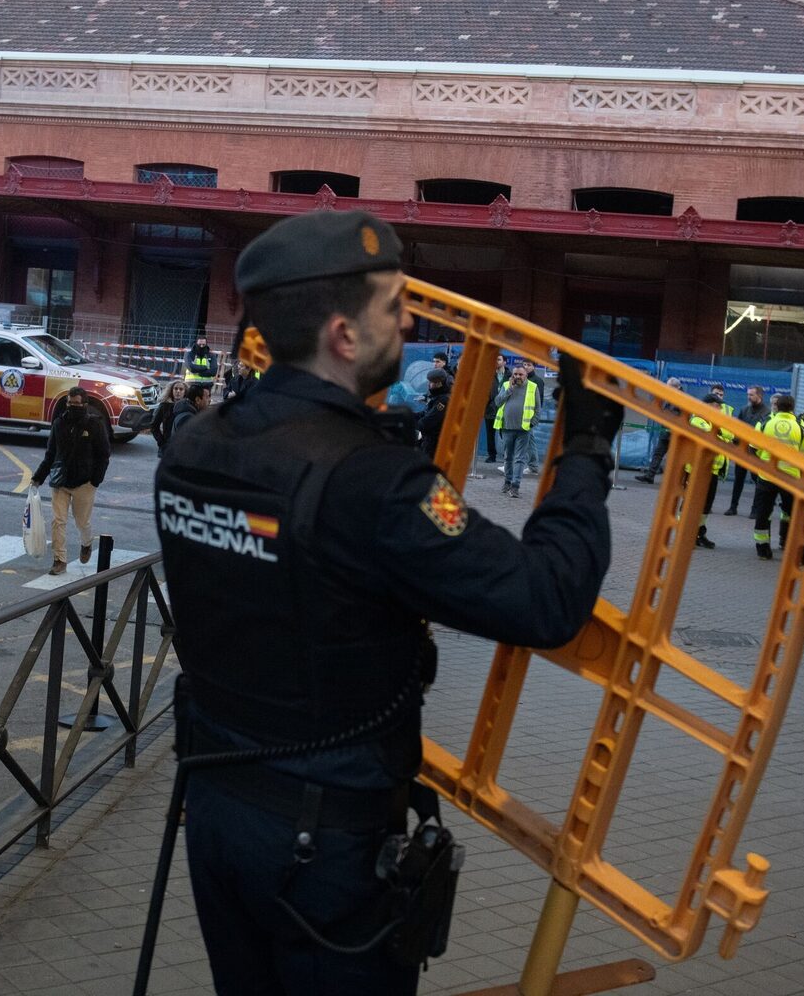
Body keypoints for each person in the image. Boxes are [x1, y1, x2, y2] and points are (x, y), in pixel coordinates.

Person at [154, 208, 620, 995]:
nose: (406, 323)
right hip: (321, 846)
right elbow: (543, 600)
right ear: (343, 335)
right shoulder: (374, 481)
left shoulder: (195, 442)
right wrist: (585, 453)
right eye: (392, 306)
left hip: (217, 810)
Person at [31, 387, 110, 575]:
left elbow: (103, 455)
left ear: (85, 404)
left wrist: (95, 480)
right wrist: (38, 478)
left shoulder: (95, 425)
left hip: (85, 482)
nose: (72, 406)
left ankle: (86, 543)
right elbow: (51, 454)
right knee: (58, 521)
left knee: (82, 522)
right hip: (61, 481)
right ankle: (59, 560)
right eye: (69, 403)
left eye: (76, 403)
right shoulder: (59, 423)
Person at [748, 393, 804, 560]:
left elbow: (752, 449)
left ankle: (762, 548)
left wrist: (759, 467)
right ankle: (798, 550)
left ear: (777, 407)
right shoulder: (801, 428)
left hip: (767, 475)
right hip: (791, 478)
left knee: (763, 513)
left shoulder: (764, 424)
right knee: (794, 515)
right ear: (792, 408)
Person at [684, 392, 733, 549]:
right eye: (717, 406)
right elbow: (715, 439)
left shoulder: (713, 422)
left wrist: (723, 435)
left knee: (705, 505)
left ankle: (698, 534)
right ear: (708, 406)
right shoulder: (698, 420)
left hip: (712, 470)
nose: (720, 409)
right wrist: (723, 436)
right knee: (691, 504)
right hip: (697, 470)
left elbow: (730, 435)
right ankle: (684, 535)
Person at [491, 360, 539, 497]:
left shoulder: (533, 387)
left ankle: (515, 486)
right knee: (508, 457)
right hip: (507, 428)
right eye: (515, 374)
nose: (518, 376)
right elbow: (497, 402)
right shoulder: (506, 385)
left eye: (520, 374)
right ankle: (507, 482)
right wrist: (509, 390)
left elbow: (537, 408)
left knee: (519, 459)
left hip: (524, 429)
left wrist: (532, 423)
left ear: (526, 375)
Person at [725, 385, 770, 515]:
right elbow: (737, 427)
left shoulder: (766, 413)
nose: (748, 397)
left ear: (759, 396)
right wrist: (735, 442)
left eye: (751, 395)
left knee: (757, 481)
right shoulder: (745, 409)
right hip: (742, 450)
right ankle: (733, 507)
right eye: (748, 394)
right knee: (738, 480)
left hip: (756, 452)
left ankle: (755, 509)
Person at [634, 377, 686, 484]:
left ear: (677, 387)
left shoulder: (682, 399)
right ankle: (650, 476)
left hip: (674, 433)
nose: (667, 389)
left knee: (675, 458)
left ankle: (676, 481)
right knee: (658, 453)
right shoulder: (672, 396)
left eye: (669, 387)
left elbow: (681, 416)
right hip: (666, 431)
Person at [417, 367, 450, 457]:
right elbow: (425, 413)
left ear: (438, 384)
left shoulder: (443, 400)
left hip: (435, 443)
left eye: (431, 382)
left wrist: (412, 424)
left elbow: (429, 421)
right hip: (429, 441)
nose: (429, 385)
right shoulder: (436, 397)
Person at [151, 378, 188, 456]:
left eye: (181, 389)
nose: (178, 391)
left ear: (185, 392)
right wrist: (161, 442)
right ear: (171, 391)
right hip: (167, 445)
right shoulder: (164, 406)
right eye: (176, 389)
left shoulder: (188, 407)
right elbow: (154, 426)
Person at [481, 352, 505, 463]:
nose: (496, 362)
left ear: (504, 362)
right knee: (490, 435)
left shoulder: (510, 376)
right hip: (490, 409)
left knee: (505, 434)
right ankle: (492, 455)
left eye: (499, 359)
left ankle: (507, 456)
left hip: (504, 410)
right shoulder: (488, 375)